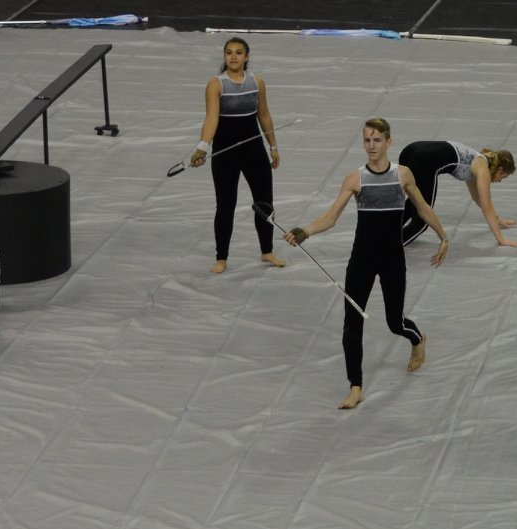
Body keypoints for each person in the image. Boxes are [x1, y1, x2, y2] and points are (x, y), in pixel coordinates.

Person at [285, 117, 449, 410]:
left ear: (389, 142)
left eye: (377, 140)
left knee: (395, 322)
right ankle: (355, 386)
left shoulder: (403, 175)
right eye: (367, 140)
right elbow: (331, 217)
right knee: (352, 323)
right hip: (361, 259)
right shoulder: (355, 179)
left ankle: (417, 339)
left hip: (392, 259)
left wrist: (443, 237)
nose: (371, 146)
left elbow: (423, 208)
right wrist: (305, 232)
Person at [186, 38, 288, 275]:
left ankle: (267, 251)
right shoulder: (215, 84)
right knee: (225, 205)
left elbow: (264, 115)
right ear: (224, 56)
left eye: (238, 53)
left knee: (264, 202)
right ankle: (221, 257)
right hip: (226, 153)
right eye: (229, 53)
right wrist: (202, 147)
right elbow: (212, 118)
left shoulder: (257, 82)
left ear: (247, 57)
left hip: (254, 151)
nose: (233, 57)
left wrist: (273, 146)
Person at [397, 139, 517, 247]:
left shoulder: (477, 161)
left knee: (416, 201)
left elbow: (477, 198)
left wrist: (497, 219)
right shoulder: (483, 170)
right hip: (423, 160)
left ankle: (386, 232)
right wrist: (501, 240)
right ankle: (389, 248)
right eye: (503, 177)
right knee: (421, 222)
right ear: (500, 169)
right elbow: (487, 208)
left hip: (410, 151)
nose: (500, 181)